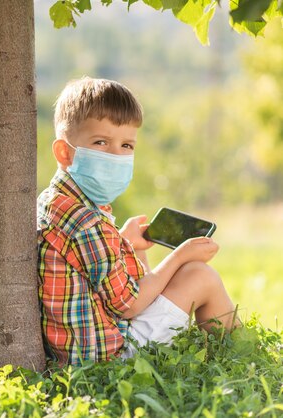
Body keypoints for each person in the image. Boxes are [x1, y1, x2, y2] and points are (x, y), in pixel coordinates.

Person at [37, 77, 238, 366]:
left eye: (127, 145)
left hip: (86, 342)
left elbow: (92, 270)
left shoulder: (58, 202)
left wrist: (124, 241)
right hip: (110, 357)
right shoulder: (86, 223)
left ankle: (225, 351)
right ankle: (243, 357)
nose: (116, 155)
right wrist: (181, 255)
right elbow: (128, 305)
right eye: (101, 142)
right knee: (200, 276)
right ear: (65, 152)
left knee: (179, 269)